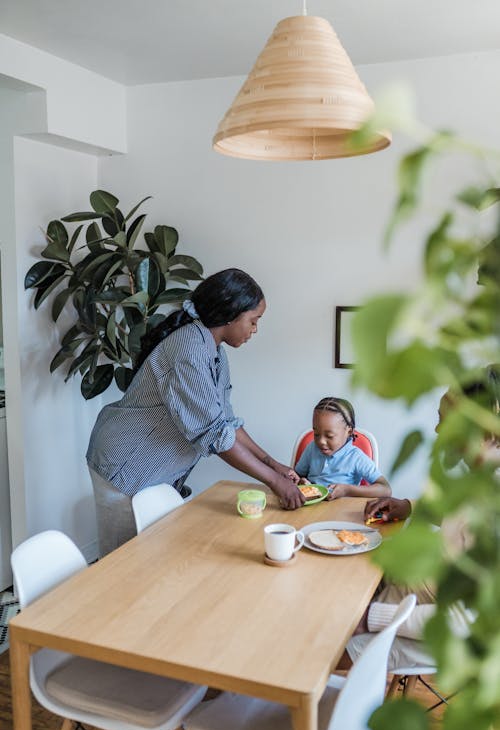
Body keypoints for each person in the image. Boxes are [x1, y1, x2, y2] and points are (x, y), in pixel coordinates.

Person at [87, 268, 303, 556]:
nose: (255, 329)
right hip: (127, 465)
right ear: (230, 314)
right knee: (122, 566)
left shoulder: (213, 349)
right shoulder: (189, 349)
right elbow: (214, 435)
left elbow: (225, 422)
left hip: (152, 470)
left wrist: (274, 464)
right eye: (254, 320)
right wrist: (274, 482)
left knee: (152, 563)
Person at [345, 366, 500, 671]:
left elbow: (465, 618)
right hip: (404, 594)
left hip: (421, 628)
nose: (437, 431)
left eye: (445, 421)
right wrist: (408, 507)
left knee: (315, 645)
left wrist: (370, 618)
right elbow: (462, 521)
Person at [294, 396, 392, 499]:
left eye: (329, 436)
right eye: (316, 434)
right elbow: (298, 475)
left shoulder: (356, 457)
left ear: (349, 432)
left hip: (342, 511)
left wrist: (347, 490)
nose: (321, 441)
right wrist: (301, 481)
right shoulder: (312, 448)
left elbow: (385, 489)